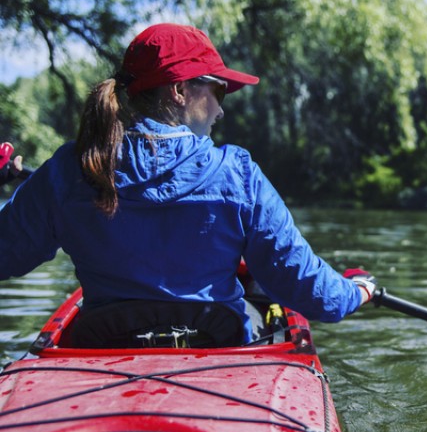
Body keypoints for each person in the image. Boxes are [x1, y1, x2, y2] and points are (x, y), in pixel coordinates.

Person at [0, 23, 375, 345]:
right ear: (179, 91)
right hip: (217, 349)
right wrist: (357, 291)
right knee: (261, 313)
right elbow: (313, 294)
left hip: (104, 345)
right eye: (218, 90)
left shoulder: (69, 168)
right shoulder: (238, 173)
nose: (221, 108)